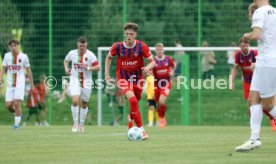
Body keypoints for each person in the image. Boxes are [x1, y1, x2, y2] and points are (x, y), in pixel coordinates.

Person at [235, 0, 276, 152]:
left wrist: (246, 35)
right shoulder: (274, 11)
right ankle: (254, 139)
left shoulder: (260, 11)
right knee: (252, 99)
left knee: (268, 104)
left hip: (268, 62)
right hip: (265, 61)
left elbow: (256, 35)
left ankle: (254, 139)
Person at [105, 22, 155, 140]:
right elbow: (108, 58)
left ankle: (130, 119)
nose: (128, 36)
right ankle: (142, 130)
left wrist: (148, 68)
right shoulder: (117, 47)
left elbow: (153, 62)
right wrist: (106, 74)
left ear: (135, 34)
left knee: (135, 104)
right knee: (132, 101)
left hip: (138, 80)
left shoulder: (141, 47)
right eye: (127, 34)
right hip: (123, 79)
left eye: (131, 34)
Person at [230, 37, 276, 131]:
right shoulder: (238, 55)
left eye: (246, 45)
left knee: (263, 104)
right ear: (240, 46)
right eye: (243, 46)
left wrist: (255, 66)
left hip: (259, 81)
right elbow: (235, 68)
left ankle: (272, 119)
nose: (245, 48)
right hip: (247, 82)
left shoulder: (254, 53)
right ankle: (255, 126)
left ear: (249, 45)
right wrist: (231, 81)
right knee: (251, 103)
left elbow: (263, 65)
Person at [64, 36, 100, 133]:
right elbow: (66, 60)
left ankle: (81, 124)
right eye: (80, 46)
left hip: (87, 81)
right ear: (78, 45)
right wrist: (66, 68)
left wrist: (88, 68)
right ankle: (75, 123)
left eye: (84, 46)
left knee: (84, 103)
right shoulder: (72, 53)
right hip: (74, 79)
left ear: (86, 45)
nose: (82, 47)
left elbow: (98, 67)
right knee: (75, 100)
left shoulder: (91, 55)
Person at [0, 39, 35, 129]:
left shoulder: (24, 57)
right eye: (11, 46)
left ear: (18, 46)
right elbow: (3, 68)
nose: (13, 47)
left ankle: (16, 125)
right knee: (8, 106)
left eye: (15, 45)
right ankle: (18, 114)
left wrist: (32, 85)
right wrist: (0, 79)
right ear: (9, 47)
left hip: (20, 84)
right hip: (10, 85)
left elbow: (29, 71)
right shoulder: (7, 56)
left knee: (16, 103)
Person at [152, 43, 176, 128]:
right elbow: (150, 70)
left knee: (162, 101)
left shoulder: (168, 59)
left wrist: (172, 72)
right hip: (156, 84)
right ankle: (162, 118)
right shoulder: (153, 61)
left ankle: (162, 119)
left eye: (160, 49)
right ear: (155, 51)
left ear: (163, 50)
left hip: (166, 83)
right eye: (158, 50)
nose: (159, 51)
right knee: (158, 104)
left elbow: (174, 65)